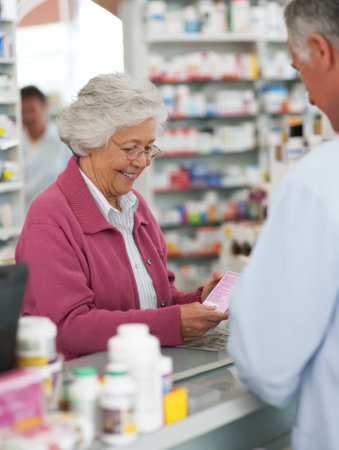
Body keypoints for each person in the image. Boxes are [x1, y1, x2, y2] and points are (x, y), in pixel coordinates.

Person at [16, 73, 228, 361]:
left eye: (148, 148)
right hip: (85, 385)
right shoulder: (49, 220)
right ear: (88, 142)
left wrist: (199, 301)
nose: (142, 162)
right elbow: (71, 327)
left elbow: (157, 300)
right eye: (130, 149)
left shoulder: (134, 205)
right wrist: (175, 322)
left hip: (145, 370)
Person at [227, 1, 339, 449]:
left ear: (321, 50)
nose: (309, 96)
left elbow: (267, 364)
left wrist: (249, 298)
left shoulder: (321, 180)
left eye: (300, 71)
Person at [21, 85, 70, 208]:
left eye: (31, 110)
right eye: (22, 111)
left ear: (44, 108)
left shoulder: (63, 141)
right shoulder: (15, 144)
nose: (27, 117)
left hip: (53, 214)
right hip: (20, 218)